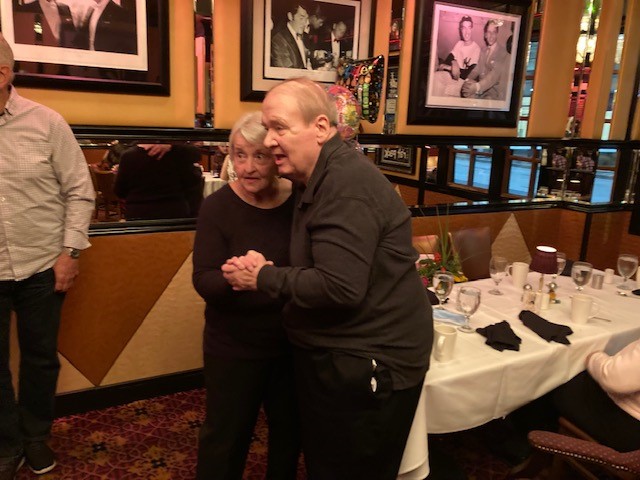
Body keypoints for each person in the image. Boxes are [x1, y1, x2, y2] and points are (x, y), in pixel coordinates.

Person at [222, 78, 433, 479]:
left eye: (279, 127)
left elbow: (339, 288)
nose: (268, 141)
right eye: (267, 128)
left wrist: (263, 278)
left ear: (321, 128)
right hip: (344, 354)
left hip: (369, 363)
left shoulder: (345, 185)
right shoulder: (317, 178)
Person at [0, 32, 95, 478]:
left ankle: (35, 436)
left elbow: (80, 191)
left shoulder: (46, 123)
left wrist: (69, 252)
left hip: (41, 264)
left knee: (40, 357)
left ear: (2, 74)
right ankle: (7, 441)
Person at [192, 112, 299, 479]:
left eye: (259, 155)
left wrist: (268, 276)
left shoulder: (299, 201)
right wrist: (235, 278)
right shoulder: (217, 206)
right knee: (225, 438)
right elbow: (203, 280)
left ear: (277, 157)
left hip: (291, 343)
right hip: (233, 347)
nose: (248, 167)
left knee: (289, 433)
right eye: (239, 155)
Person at [114, 144, 203, 220]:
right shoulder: (178, 153)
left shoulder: (128, 156)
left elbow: (120, 191)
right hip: (173, 212)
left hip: (138, 213)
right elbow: (192, 182)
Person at [431, 15, 480, 97]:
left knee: (444, 89)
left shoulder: (476, 48)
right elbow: (447, 61)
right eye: (464, 28)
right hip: (453, 77)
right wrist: (454, 63)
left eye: (468, 27)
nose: (466, 32)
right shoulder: (459, 43)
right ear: (461, 30)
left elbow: (467, 74)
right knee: (435, 77)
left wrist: (450, 67)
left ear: (472, 29)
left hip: (464, 81)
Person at [461, 19, 509, 100]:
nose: (491, 36)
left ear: (497, 34)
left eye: (494, 32)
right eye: (489, 32)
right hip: (480, 91)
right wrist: (468, 80)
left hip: (493, 93)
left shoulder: (502, 52)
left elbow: (493, 76)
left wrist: (476, 87)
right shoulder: (483, 50)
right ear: (485, 34)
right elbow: (477, 69)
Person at [270, 1, 310, 69]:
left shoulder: (304, 36)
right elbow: (287, 72)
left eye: (306, 19)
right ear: (290, 16)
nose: (305, 23)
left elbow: (305, 57)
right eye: (301, 18)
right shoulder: (279, 40)